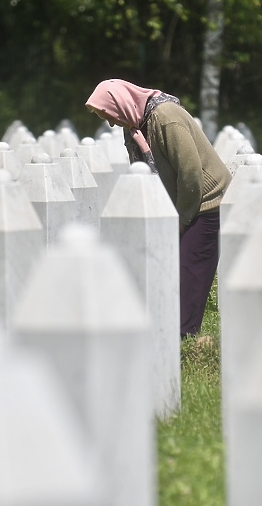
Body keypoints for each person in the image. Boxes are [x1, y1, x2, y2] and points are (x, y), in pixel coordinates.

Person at [85, 78, 231, 338]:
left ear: (119, 104)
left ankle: (184, 336)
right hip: (181, 204)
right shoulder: (135, 125)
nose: (109, 122)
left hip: (206, 203)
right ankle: (168, 329)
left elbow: (190, 174)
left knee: (189, 271)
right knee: (169, 269)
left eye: (107, 114)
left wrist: (182, 220)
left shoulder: (166, 118)